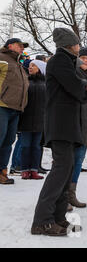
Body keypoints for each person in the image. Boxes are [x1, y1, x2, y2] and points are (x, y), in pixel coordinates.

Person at [32, 28, 87, 236]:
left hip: (67, 124)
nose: (79, 46)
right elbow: (79, 90)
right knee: (60, 171)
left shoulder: (66, 62)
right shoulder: (59, 61)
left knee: (66, 172)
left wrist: (85, 85)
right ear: (70, 44)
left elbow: (82, 92)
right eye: (77, 43)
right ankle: (42, 220)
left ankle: (57, 217)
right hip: (61, 124)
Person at [69, 47, 87, 208]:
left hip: (86, 124)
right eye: (83, 57)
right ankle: (62, 194)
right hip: (73, 123)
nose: (85, 61)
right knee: (68, 161)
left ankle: (71, 193)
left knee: (79, 160)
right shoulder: (72, 74)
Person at [0, 38, 30, 185]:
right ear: (10, 45)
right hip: (2, 105)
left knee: (8, 141)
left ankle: (2, 172)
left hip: (15, 109)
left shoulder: (19, 64)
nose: (21, 48)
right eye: (19, 46)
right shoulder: (2, 58)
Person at [18, 60, 47, 180]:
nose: (30, 68)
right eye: (29, 66)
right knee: (25, 146)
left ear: (40, 68)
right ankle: (24, 170)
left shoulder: (47, 84)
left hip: (41, 121)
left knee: (36, 146)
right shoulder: (25, 82)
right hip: (25, 120)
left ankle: (34, 170)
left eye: (33, 66)